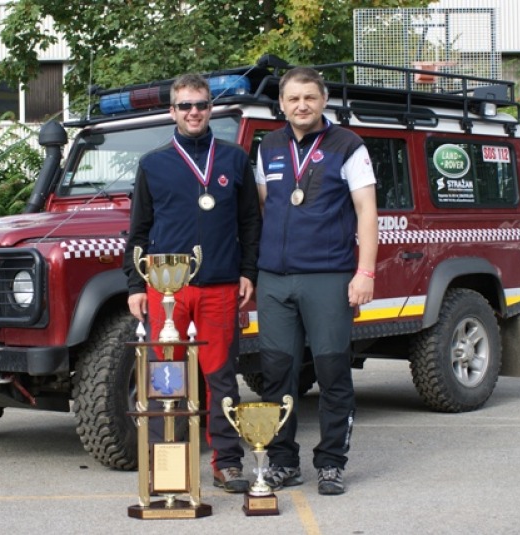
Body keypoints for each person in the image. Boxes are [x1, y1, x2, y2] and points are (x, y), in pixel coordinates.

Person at [123, 73, 262, 493]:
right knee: (166, 377)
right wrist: (135, 285)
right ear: (173, 111)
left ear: (210, 108)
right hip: (167, 289)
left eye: (201, 104)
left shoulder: (234, 159)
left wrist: (248, 271)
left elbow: (250, 222)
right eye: (185, 105)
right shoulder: (153, 164)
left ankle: (227, 463)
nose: (194, 112)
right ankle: (168, 463)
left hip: (221, 285)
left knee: (221, 377)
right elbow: (138, 230)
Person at [254, 67, 378, 496]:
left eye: (309, 97)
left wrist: (365, 272)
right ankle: (282, 462)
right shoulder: (268, 146)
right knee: (276, 374)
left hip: (327, 276)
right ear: (281, 104)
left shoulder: (348, 145)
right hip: (274, 279)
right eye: (293, 98)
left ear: (323, 100)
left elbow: (366, 211)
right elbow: (265, 207)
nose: (301, 105)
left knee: (332, 371)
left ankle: (331, 463)